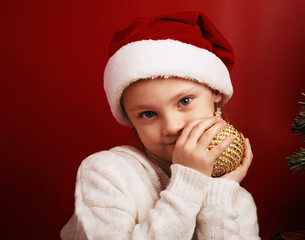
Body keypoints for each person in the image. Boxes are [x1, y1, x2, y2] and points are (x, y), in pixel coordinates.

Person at [60, 11, 260, 239]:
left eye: (184, 101)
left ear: (215, 92)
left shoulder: (235, 199)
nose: (173, 126)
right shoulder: (106, 172)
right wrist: (188, 182)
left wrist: (218, 194)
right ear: (129, 118)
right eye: (148, 114)